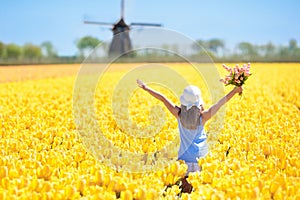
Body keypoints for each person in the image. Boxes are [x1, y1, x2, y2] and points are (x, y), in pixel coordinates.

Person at [136, 79, 243, 193]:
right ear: (199, 103)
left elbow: (162, 98)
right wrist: (234, 91)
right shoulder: (203, 117)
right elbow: (220, 104)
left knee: (185, 191)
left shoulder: (178, 114)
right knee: (197, 192)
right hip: (200, 158)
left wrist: (146, 88)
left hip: (184, 158)